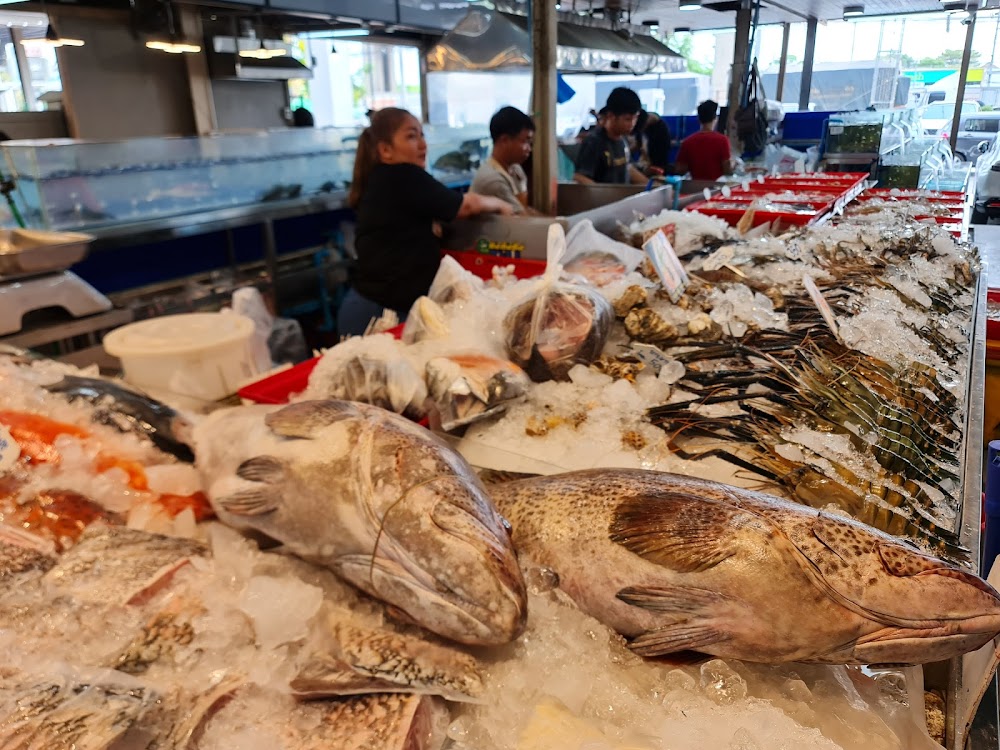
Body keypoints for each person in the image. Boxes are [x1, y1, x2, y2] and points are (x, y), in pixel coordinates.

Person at [339, 107, 514, 338]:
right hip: (379, 314)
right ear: (385, 150)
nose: (422, 144)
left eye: (422, 135)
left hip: (368, 307)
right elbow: (466, 206)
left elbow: (402, 222)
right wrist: (501, 205)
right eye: (411, 136)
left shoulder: (384, 178)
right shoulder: (404, 175)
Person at [470, 106, 538, 215]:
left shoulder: (516, 169)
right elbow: (522, 219)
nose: (529, 149)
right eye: (526, 141)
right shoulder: (493, 180)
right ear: (505, 140)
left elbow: (525, 210)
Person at [573, 88, 647, 185]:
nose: (632, 124)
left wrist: (651, 187)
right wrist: (603, 195)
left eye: (635, 118)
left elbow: (628, 168)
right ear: (611, 116)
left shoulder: (622, 140)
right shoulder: (594, 142)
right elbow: (580, 177)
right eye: (628, 119)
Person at [674, 100, 734, 181]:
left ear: (698, 119)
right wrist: (733, 164)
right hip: (716, 188)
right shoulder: (722, 140)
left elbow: (679, 170)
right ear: (715, 118)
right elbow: (727, 170)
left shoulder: (688, 142)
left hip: (695, 188)